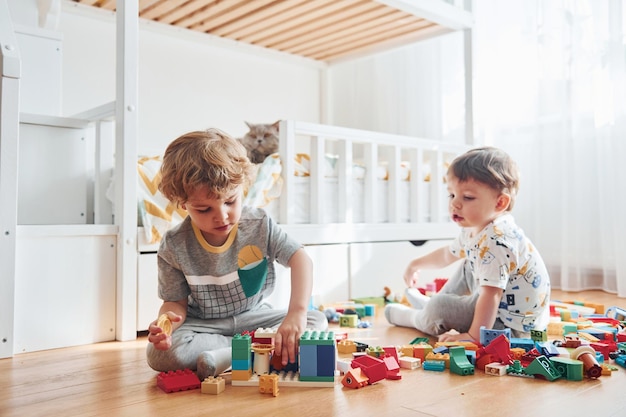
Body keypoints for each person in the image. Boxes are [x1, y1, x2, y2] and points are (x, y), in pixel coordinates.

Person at [146, 129, 328, 380]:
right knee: (160, 354)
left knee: (315, 321)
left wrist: (296, 312)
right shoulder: (174, 244)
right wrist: (166, 324)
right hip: (205, 325)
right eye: (204, 209)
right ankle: (245, 351)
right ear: (182, 204)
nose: (221, 216)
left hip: (254, 318)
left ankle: (227, 355)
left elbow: (300, 258)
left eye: (230, 201)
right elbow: (175, 303)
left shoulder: (259, 224)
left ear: (242, 187)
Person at [385, 146, 550, 342]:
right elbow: (448, 254)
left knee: (440, 309)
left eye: (468, 197)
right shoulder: (478, 228)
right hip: (497, 307)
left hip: (509, 327)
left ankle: (417, 317)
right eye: (452, 195)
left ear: (499, 203)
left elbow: (492, 297)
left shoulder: (497, 242)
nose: (455, 204)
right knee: (468, 263)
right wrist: (415, 264)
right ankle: (433, 304)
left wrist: (473, 337)